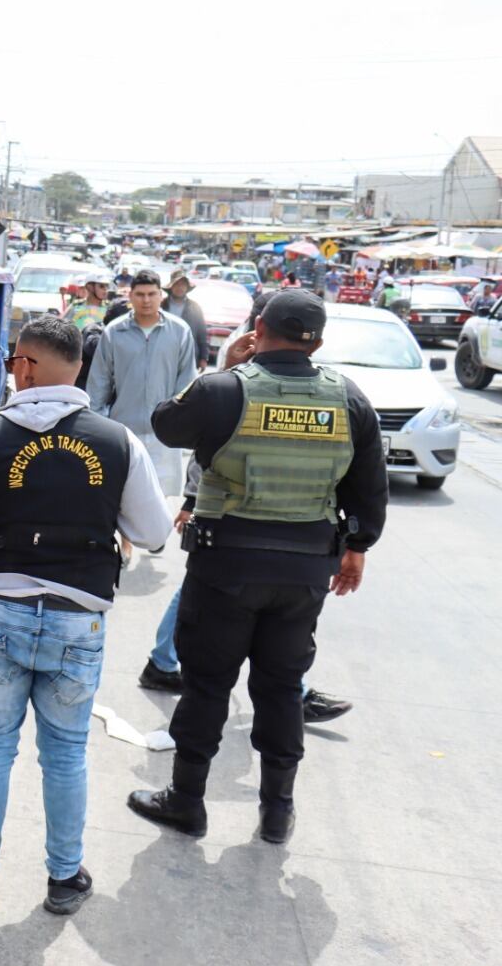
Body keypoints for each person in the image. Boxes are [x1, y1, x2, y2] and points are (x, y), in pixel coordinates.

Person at [0, 315, 172, 917]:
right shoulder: (118, 442)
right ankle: (65, 879)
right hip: (76, 618)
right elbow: (156, 533)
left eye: (15, 360)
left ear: (26, 367)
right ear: (79, 368)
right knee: (65, 754)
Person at [127, 290, 388, 844]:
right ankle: (276, 813)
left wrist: (226, 368)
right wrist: (357, 545)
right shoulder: (348, 398)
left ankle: (188, 802)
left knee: (207, 687)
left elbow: (165, 424)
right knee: (282, 687)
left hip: (226, 566)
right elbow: (369, 485)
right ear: (318, 340)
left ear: (258, 326)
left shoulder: (225, 389)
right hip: (304, 572)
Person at [139, 458, 358, 724]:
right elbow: (207, 443)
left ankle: (161, 664)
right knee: (263, 601)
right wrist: (191, 501)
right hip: (237, 514)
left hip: (257, 514)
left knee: (205, 586)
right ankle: (294, 694)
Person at [86, 270, 198, 494]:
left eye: (151, 294)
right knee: (121, 497)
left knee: (159, 501)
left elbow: (187, 383)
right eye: (140, 294)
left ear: (160, 295)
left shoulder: (179, 331)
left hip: (164, 436)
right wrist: (99, 424)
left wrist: (177, 422)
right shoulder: (114, 332)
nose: (146, 300)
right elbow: (99, 381)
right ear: (131, 297)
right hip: (123, 431)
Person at [163, 270, 209, 370]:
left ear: (187, 287)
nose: (180, 288)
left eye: (183, 285)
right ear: (171, 286)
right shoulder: (161, 306)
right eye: (177, 284)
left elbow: (202, 334)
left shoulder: (195, 307)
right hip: (163, 356)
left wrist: (203, 358)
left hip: (188, 356)